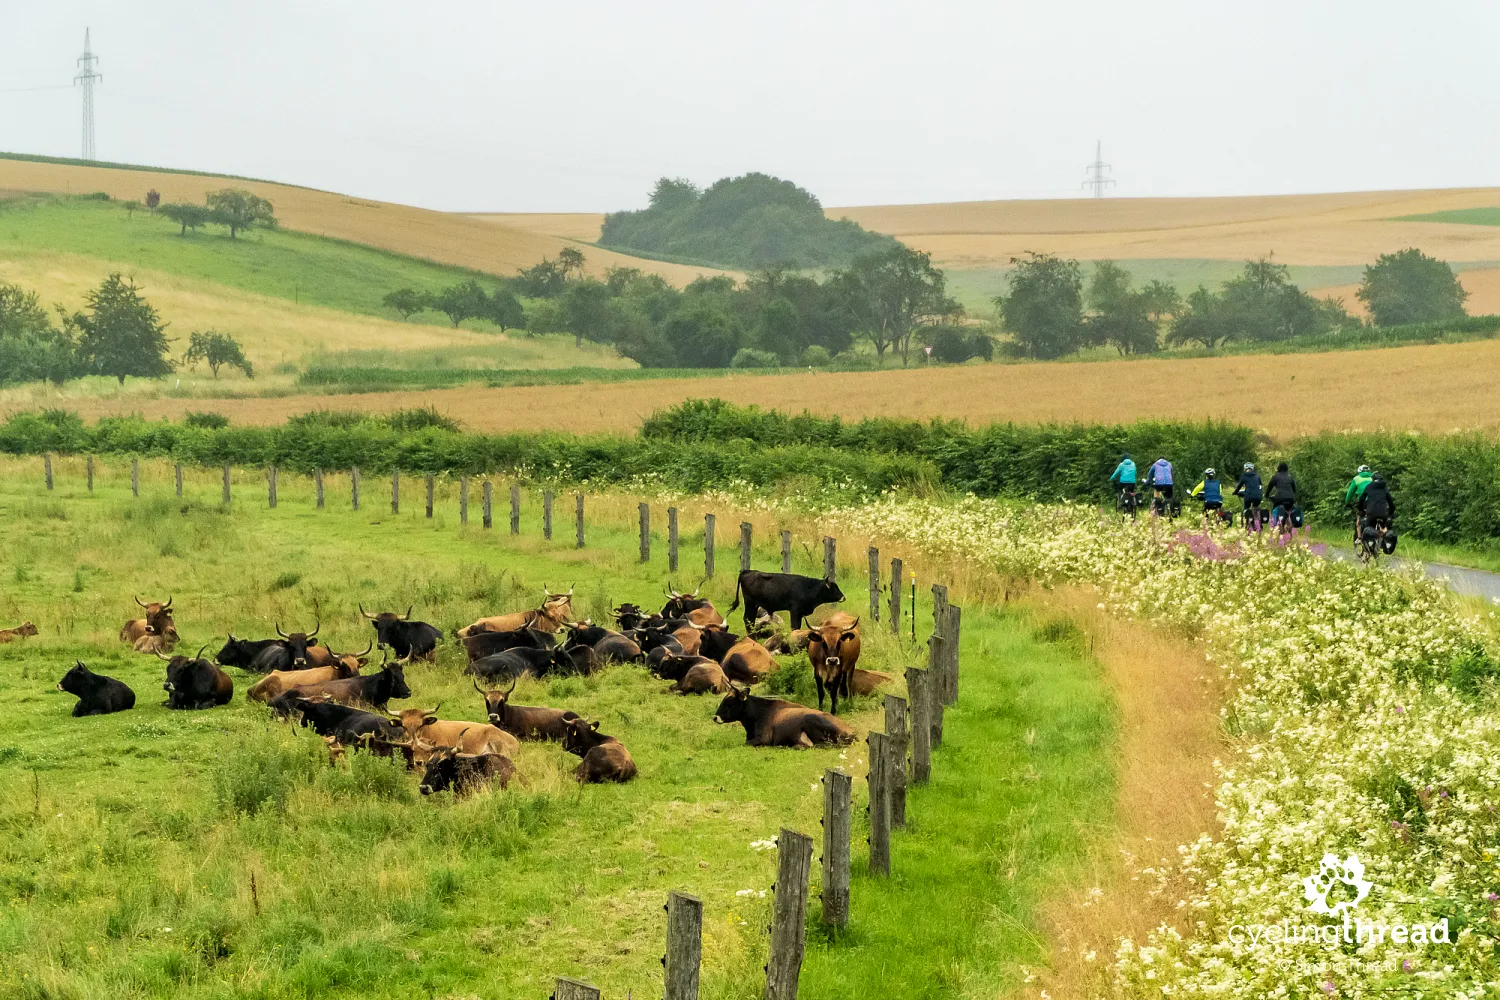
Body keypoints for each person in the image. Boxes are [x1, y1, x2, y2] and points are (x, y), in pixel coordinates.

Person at [1266, 461, 1298, 528]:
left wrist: (1266, 495)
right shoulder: (1290, 477)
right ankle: (1290, 519)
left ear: (1278, 469)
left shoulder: (1275, 477)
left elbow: (1269, 487)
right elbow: (1294, 490)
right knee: (1290, 509)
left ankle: (1275, 525)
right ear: (1287, 469)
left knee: (1275, 508)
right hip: (1290, 498)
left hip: (1279, 498)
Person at [1234, 462, 1264, 528]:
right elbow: (1260, 486)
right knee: (1256, 506)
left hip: (1248, 495)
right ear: (1252, 469)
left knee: (1246, 507)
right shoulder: (1257, 476)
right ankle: (1259, 520)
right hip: (1258, 495)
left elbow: (1239, 486)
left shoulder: (1244, 476)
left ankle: (1247, 523)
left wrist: (1235, 492)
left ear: (1245, 469)